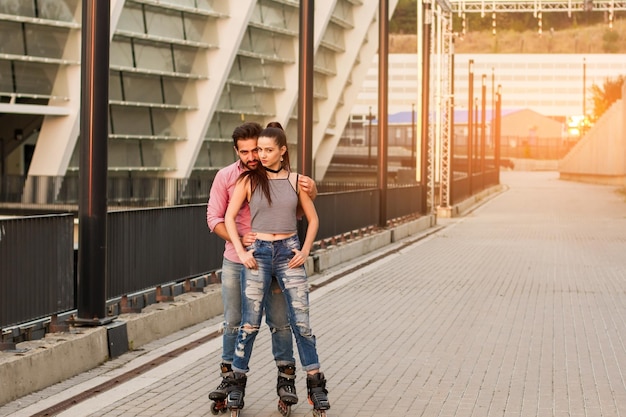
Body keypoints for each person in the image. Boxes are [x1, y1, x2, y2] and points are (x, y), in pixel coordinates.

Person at [206, 122, 317, 412]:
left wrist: (312, 188)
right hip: (236, 257)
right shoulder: (228, 177)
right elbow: (215, 218)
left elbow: (294, 203)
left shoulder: (276, 174)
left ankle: (286, 379)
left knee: (280, 322)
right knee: (235, 321)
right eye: (245, 152)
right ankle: (229, 379)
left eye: (257, 149)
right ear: (236, 152)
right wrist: (239, 242)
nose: (253, 156)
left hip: (277, 255)